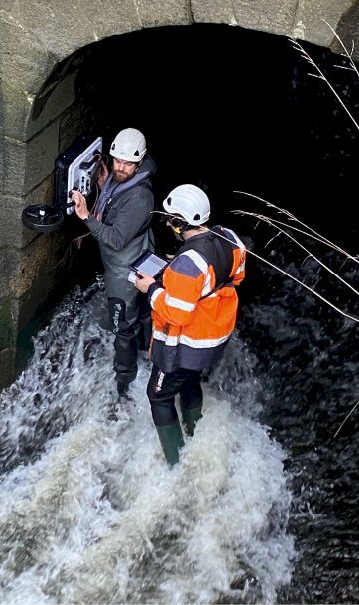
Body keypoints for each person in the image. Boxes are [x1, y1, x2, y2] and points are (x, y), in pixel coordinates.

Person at [132, 184, 247, 466]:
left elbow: (177, 314)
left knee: (158, 395)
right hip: (214, 336)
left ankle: (176, 461)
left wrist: (151, 288)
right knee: (190, 378)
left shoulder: (188, 264)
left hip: (187, 342)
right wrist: (177, 271)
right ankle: (193, 428)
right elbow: (236, 277)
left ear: (181, 223)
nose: (168, 223)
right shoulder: (230, 239)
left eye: (170, 219)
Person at [70, 127, 157, 397]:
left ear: (139, 163)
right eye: (116, 161)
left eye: (127, 163)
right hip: (140, 253)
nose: (120, 168)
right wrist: (103, 184)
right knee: (142, 311)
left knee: (122, 325)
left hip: (124, 270)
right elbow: (114, 199)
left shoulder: (140, 197)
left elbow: (117, 239)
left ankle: (124, 384)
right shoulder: (122, 178)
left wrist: (86, 217)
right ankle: (148, 349)